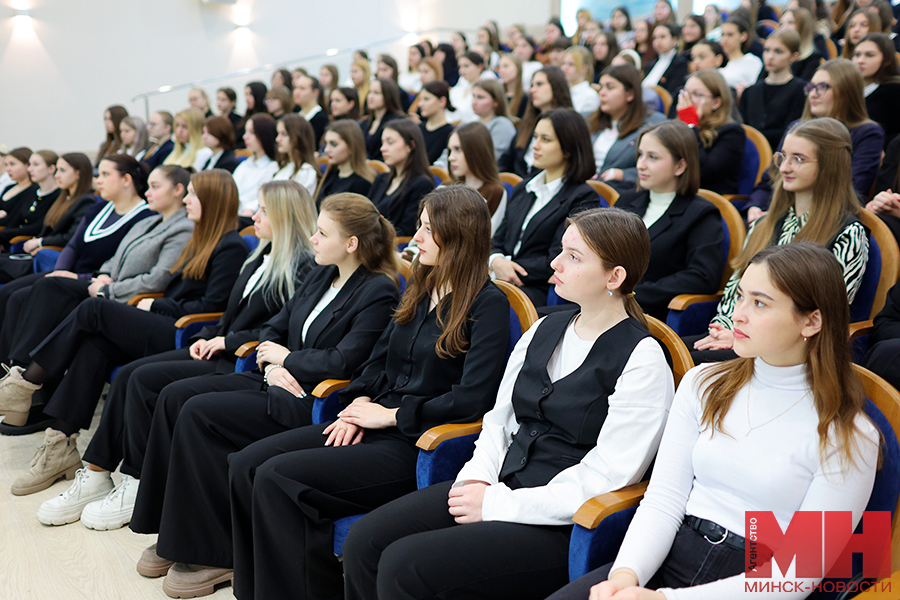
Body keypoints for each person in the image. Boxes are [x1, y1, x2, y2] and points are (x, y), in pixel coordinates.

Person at [216, 186, 511, 600]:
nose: (418, 238)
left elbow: (473, 399)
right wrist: (358, 400)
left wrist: (388, 416)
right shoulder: (422, 284)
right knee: (247, 464)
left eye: (428, 229)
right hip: (374, 421)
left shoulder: (488, 303)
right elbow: (378, 359)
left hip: (418, 441)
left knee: (275, 477)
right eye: (419, 226)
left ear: (458, 237)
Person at [550, 242, 879, 600]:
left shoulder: (850, 434)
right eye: (740, 297)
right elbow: (664, 499)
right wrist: (627, 576)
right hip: (671, 553)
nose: (738, 314)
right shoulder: (702, 383)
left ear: (812, 321)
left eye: (760, 303)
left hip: (755, 580)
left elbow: (796, 575)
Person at [36, 180, 317, 528]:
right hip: (217, 347)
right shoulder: (261, 253)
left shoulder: (302, 266)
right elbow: (229, 316)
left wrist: (227, 341)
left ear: (283, 216)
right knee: (127, 374)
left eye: (262, 210)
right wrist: (212, 335)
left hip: (239, 361)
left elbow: (280, 329)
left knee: (138, 376)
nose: (254, 216)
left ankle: (138, 484)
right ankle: (96, 474)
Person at [0, 170, 248, 496]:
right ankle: (61, 444)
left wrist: (152, 306)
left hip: (186, 334)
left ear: (213, 200)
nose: (186, 199)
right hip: (166, 318)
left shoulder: (231, 246)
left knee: (93, 309)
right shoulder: (201, 236)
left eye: (192, 194)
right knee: (94, 344)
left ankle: (26, 382)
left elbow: (211, 305)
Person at [0, 165, 194, 434]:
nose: (148, 192)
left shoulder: (183, 229)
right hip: (106, 286)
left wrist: (109, 289)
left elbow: (156, 279)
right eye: (148, 185)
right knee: (51, 285)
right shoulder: (149, 220)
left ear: (178, 190)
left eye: (155, 186)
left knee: (70, 304)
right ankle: (21, 377)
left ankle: (23, 384)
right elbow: (114, 259)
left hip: (127, 298)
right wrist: (103, 275)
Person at [690, 118, 869, 363]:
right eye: (782, 157)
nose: (784, 168)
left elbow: (823, 313)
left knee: (680, 365)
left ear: (829, 166)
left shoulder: (848, 233)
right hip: (738, 335)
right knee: (658, 351)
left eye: (798, 159)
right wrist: (724, 329)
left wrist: (740, 336)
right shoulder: (765, 224)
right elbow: (735, 288)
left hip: (790, 352)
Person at [747, 58, 886, 218]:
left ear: (847, 92)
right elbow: (771, 177)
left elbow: (854, 188)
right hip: (780, 213)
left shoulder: (867, 132)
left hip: (826, 217)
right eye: (811, 87)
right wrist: (755, 207)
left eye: (823, 87)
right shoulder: (796, 127)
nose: (813, 94)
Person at [614, 121, 725, 319]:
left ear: (680, 166)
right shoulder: (627, 200)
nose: (641, 165)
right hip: (604, 305)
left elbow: (702, 277)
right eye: (640, 155)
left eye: (652, 157)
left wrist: (630, 294)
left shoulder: (701, 214)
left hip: (649, 315)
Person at [491, 109, 598, 307]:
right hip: (500, 277)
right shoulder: (525, 186)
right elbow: (498, 239)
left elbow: (558, 257)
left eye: (545, 139)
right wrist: (496, 261)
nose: (535, 145)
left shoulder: (583, 197)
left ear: (568, 148)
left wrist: (510, 269)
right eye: (535, 137)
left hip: (540, 288)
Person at [0, 152, 95, 285]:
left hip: (51, 258)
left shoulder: (86, 201)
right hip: (36, 253)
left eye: (62, 170)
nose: (57, 175)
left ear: (78, 173)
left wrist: (41, 242)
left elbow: (70, 238)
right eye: (57, 170)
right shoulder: (64, 197)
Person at [591, 64, 668, 193]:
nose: (602, 93)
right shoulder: (589, 120)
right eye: (601, 87)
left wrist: (623, 175)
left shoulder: (653, 124)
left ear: (630, 94)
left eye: (610, 87)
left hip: (622, 193)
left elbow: (663, 166)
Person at [740, 30, 809, 150]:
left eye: (778, 51)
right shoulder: (750, 92)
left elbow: (792, 131)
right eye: (767, 50)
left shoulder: (801, 90)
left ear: (794, 56)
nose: (770, 56)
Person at [499, 67, 574, 178]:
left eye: (539, 84)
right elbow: (506, 160)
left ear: (556, 87)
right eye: (532, 85)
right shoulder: (528, 122)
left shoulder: (570, 124)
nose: (532, 90)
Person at [368, 119, 436, 236]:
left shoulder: (422, 184)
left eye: (390, 142)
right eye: (382, 143)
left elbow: (407, 231)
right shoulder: (381, 179)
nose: (382, 148)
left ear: (410, 145)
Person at [447, 122, 507, 234]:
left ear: (476, 151)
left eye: (458, 149)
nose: (451, 157)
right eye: (450, 150)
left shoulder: (494, 193)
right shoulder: (446, 187)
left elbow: (486, 238)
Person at [0, 150, 60, 250]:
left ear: (51, 169)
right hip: (15, 239)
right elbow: (15, 219)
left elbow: (39, 227)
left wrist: (2, 235)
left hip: (33, 243)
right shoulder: (33, 191)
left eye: (35, 165)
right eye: (30, 165)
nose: (29, 169)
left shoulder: (58, 195)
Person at [314, 121, 377, 207]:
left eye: (334, 144)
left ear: (351, 146)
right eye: (326, 144)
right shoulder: (331, 174)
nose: (326, 150)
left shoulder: (362, 184)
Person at [854, 32, 900, 147]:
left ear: (886, 61)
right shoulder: (846, 89)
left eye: (869, 55)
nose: (860, 60)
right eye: (857, 55)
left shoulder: (894, 91)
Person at [231, 113, 279, 216]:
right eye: (245, 132)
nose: (245, 137)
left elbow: (261, 199)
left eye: (251, 132)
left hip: (250, 217)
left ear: (264, 135)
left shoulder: (273, 167)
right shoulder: (245, 164)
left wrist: (249, 209)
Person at [359, 78, 406, 162]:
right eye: (370, 92)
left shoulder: (398, 121)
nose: (370, 97)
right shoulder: (366, 122)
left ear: (388, 95)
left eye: (376, 93)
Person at [471, 79, 517, 162]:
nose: (474, 102)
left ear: (495, 101)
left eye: (480, 97)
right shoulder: (469, 124)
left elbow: (493, 158)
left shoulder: (502, 125)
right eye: (473, 96)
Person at [273, 114, 319, 195]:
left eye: (284, 134)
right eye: (278, 133)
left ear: (298, 137)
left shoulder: (306, 171)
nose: (277, 139)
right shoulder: (283, 166)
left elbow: (297, 204)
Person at [643, 23, 691, 98]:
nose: (657, 41)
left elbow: (672, 94)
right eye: (655, 38)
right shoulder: (649, 65)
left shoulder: (680, 63)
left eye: (662, 37)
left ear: (674, 40)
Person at [718, 15, 764, 89]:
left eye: (730, 35)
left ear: (743, 36)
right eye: (722, 35)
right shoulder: (720, 64)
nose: (724, 39)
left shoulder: (751, 61)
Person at [416, 81, 456, 164]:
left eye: (426, 99)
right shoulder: (418, 128)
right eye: (420, 99)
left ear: (442, 101)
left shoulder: (449, 133)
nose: (420, 104)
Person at [781, 8, 825, 81]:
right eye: (781, 23)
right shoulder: (776, 54)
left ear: (803, 27)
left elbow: (803, 88)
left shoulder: (813, 58)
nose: (783, 28)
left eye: (790, 22)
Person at [164, 108, 213, 173]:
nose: (179, 131)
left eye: (185, 127)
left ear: (196, 129)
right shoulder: (178, 150)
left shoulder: (204, 153)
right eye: (177, 125)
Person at [449, 51, 490, 124]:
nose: (461, 70)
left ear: (479, 67)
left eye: (466, 66)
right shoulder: (462, 83)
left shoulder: (487, 85)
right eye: (460, 67)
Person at [0, 147, 37, 226]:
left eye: (12, 164)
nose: (8, 169)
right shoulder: (9, 187)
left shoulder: (33, 190)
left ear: (27, 165)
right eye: (6, 165)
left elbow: (13, 220)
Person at [293, 74, 330, 146]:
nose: (297, 92)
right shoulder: (296, 114)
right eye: (296, 88)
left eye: (302, 88)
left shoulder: (321, 119)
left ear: (315, 92)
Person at [236, 82, 268, 149]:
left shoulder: (265, 117)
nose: (247, 98)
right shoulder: (247, 115)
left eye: (250, 94)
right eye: (246, 94)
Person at [497, 54, 527, 119]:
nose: (501, 70)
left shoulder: (525, 98)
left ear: (517, 68)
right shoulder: (498, 96)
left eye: (506, 66)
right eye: (499, 67)